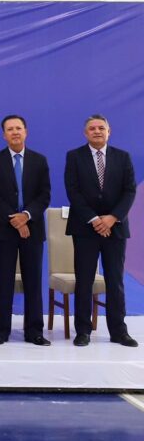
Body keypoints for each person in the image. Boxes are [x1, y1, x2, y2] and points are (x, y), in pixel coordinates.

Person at [65, 114, 137, 347]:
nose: (97, 131)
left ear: (109, 131)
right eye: (92, 128)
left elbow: (129, 191)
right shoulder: (74, 157)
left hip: (115, 229)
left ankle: (118, 331)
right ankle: (83, 331)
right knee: (84, 280)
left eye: (101, 128)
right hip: (85, 228)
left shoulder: (122, 157)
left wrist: (112, 218)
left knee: (115, 281)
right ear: (85, 133)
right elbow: (73, 191)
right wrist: (95, 220)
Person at [0, 115, 51, 347]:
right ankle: (0, 332)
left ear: (26, 132)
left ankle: (34, 332)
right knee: (5, 281)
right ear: (4, 135)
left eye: (18, 128)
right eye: (10, 129)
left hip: (33, 229)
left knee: (33, 281)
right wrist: (15, 220)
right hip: (4, 229)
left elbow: (44, 195)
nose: (15, 132)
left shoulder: (39, 161)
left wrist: (26, 217)